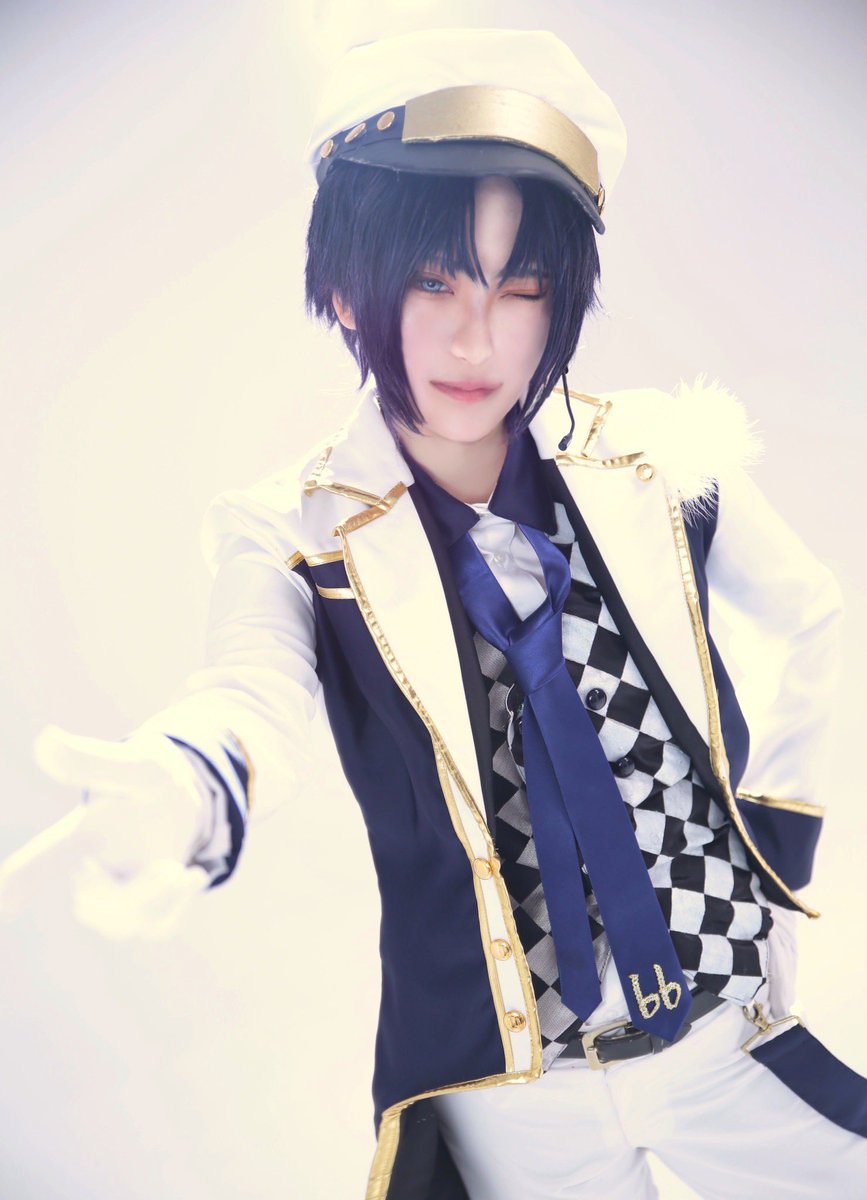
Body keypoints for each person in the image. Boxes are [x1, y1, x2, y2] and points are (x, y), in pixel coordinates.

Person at [2, 26, 865, 1200]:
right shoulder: (293, 529)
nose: (477, 338)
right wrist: (188, 787)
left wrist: (775, 854)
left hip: (723, 1032)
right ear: (347, 287)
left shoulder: (658, 458)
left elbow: (809, 612)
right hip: (513, 1100)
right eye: (434, 280)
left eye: (522, 288)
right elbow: (251, 691)